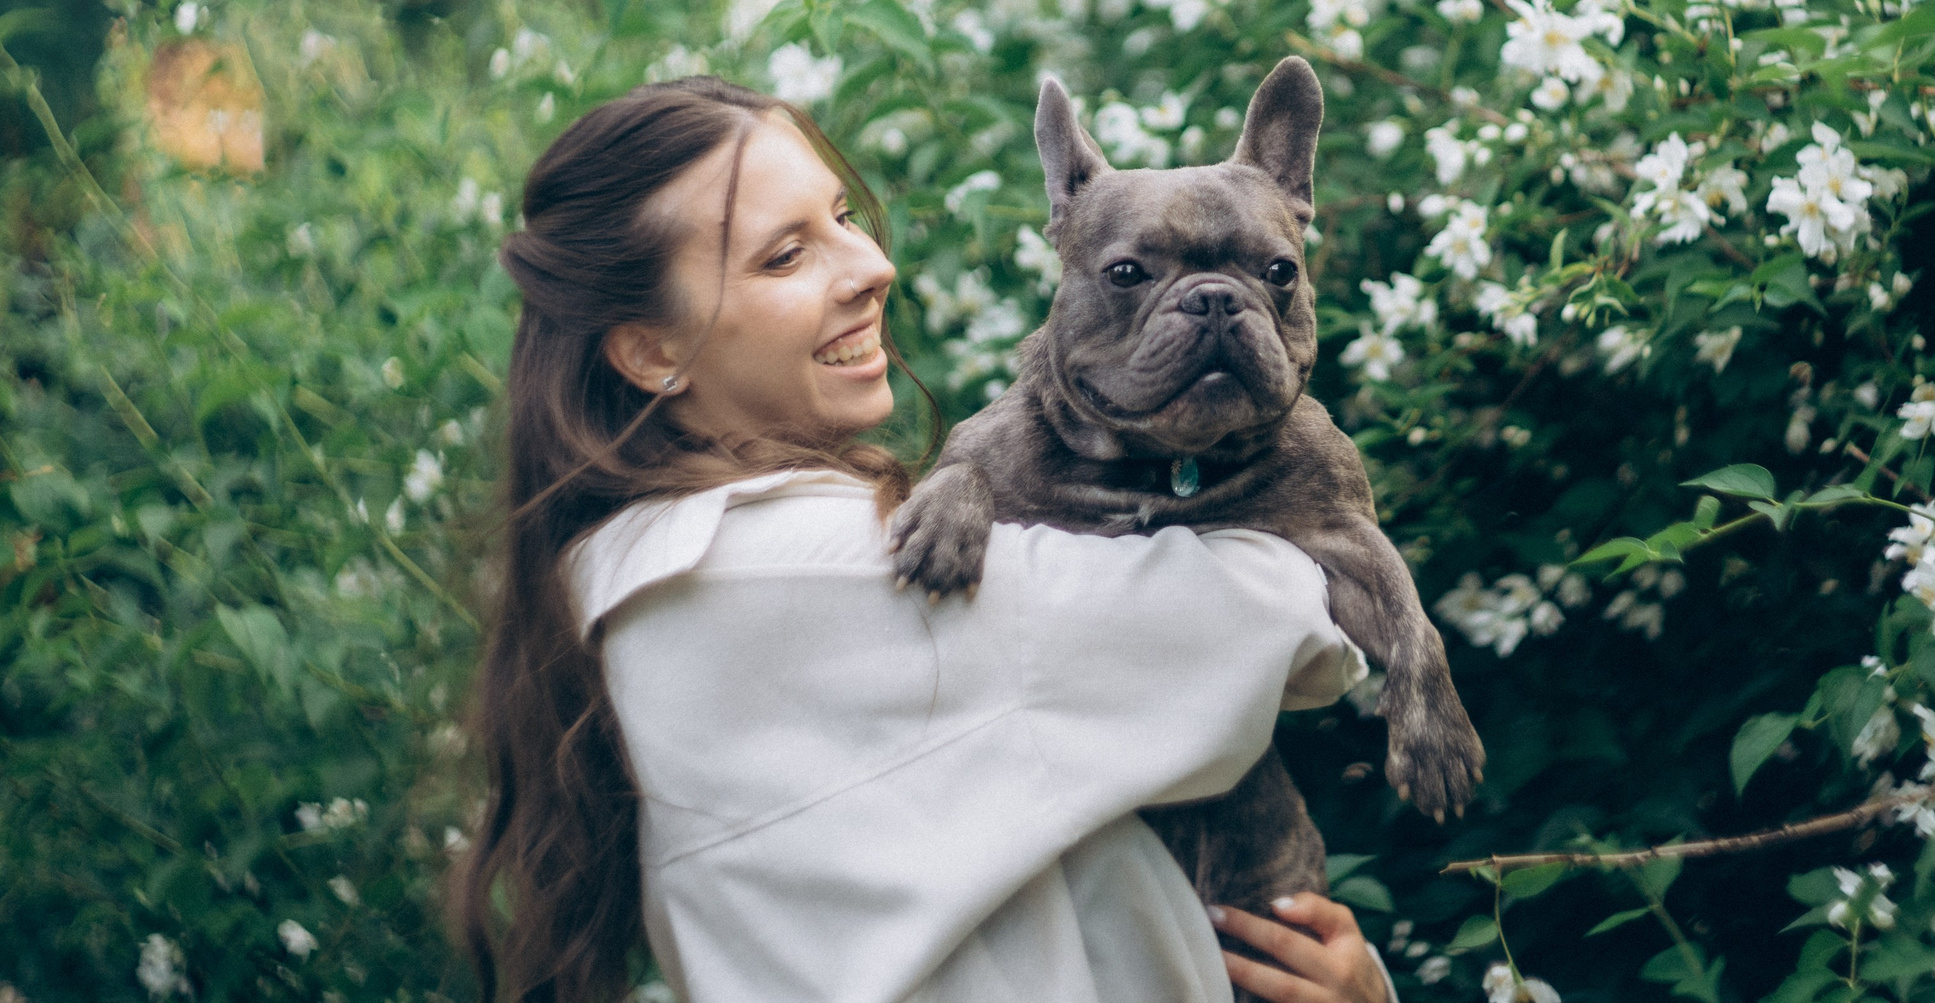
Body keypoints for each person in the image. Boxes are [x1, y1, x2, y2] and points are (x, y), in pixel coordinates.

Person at [450, 75, 1395, 1003]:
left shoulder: (657, 576)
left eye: (842, 217)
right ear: (652, 350)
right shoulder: (771, 575)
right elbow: (1272, 625)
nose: (870, 268)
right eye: (785, 256)